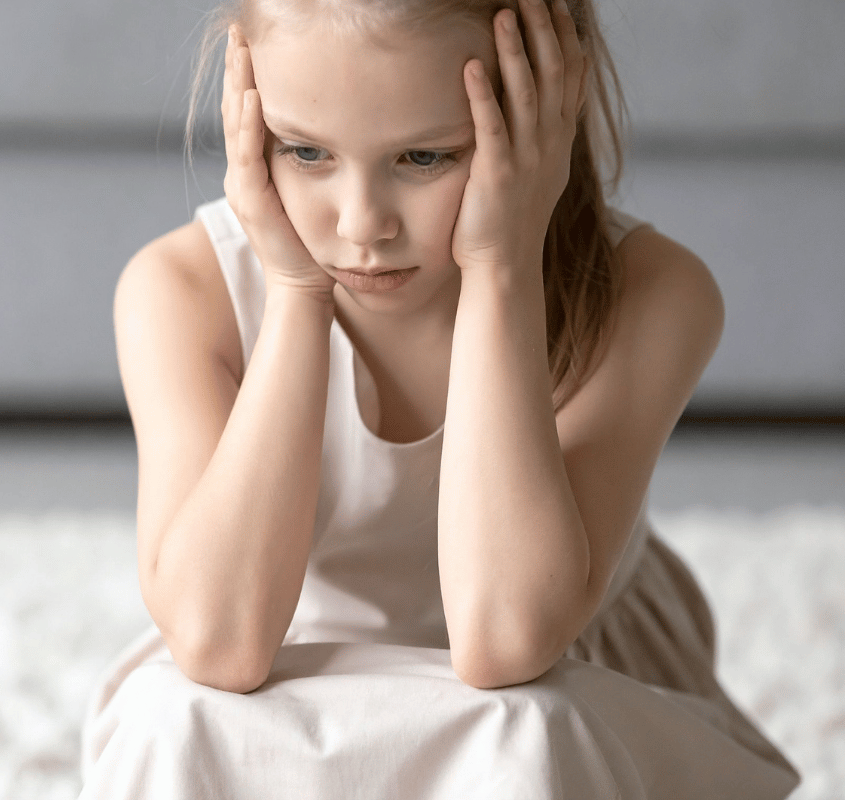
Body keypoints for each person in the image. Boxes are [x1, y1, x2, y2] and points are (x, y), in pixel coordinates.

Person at [78, 0, 800, 796]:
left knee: (526, 727)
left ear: (548, 97)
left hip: (547, 700)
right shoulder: (180, 290)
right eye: (304, 150)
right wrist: (294, 292)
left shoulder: (653, 295)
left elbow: (505, 641)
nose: (361, 226)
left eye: (424, 157)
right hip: (290, 677)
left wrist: (500, 267)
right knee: (173, 719)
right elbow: (219, 643)